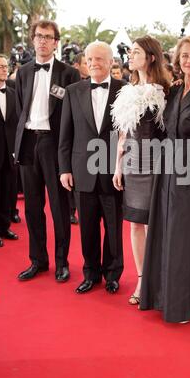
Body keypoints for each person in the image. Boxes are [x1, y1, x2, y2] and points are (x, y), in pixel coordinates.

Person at [139, 36, 190, 321]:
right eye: (184, 56)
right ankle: (163, 296)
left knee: (185, 237)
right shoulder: (174, 91)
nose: (188, 61)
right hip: (168, 169)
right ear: (177, 60)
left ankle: (184, 303)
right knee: (165, 230)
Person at [15, 20, 80, 282]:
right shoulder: (23, 72)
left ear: (56, 42)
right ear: (33, 40)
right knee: (32, 207)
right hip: (29, 142)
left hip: (55, 144)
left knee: (59, 207)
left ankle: (62, 262)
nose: (42, 41)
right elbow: (21, 109)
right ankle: (38, 260)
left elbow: (72, 116)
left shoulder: (68, 74)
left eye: (48, 37)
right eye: (38, 36)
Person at [59, 41, 124, 294]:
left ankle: (113, 274)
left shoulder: (124, 90)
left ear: (110, 62)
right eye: (89, 59)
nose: (94, 63)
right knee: (86, 227)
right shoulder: (73, 91)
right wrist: (64, 168)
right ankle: (90, 273)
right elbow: (65, 134)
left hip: (113, 170)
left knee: (113, 226)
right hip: (82, 170)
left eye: (99, 59)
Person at [111, 36, 169, 305]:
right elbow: (123, 133)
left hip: (158, 165)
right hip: (132, 165)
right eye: (130, 52)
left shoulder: (167, 90)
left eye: (136, 52)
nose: (130, 56)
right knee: (135, 223)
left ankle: (163, 281)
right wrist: (117, 166)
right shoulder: (127, 90)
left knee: (157, 224)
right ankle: (143, 280)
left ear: (151, 57)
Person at [0, 54, 18, 247]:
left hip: (10, 153)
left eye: (5, 66)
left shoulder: (13, 93)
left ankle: (4, 225)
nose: (4, 69)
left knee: (8, 192)